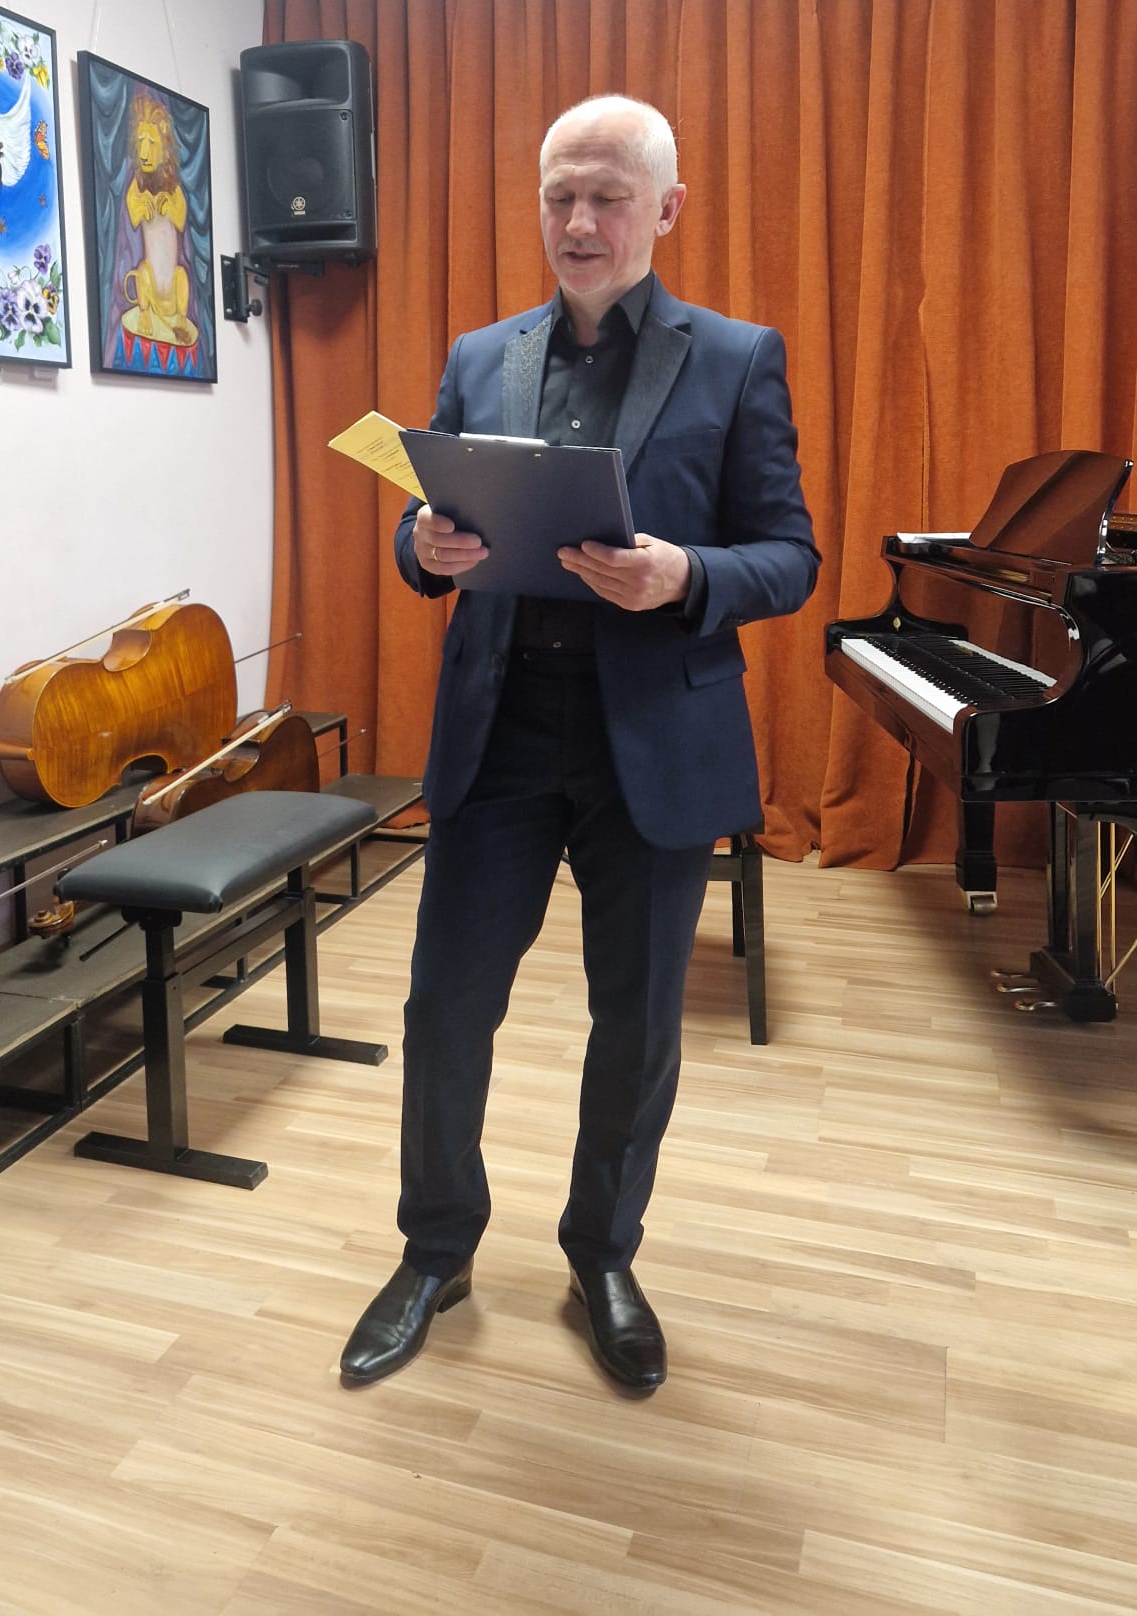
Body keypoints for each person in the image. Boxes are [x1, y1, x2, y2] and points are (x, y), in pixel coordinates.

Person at [339, 94, 819, 1393]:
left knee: (637, 1021)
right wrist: (422, 548)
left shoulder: (737, 359)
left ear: (666, 208)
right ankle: (434, 1251)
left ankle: (603, 1255)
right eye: (561, 195)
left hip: (649, 739)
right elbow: (428, 532)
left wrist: (685, 575)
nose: (581, 221)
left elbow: (789, 555)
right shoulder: (479, 355)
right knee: (446, 1007)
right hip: (499, 729)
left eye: (609, 196)